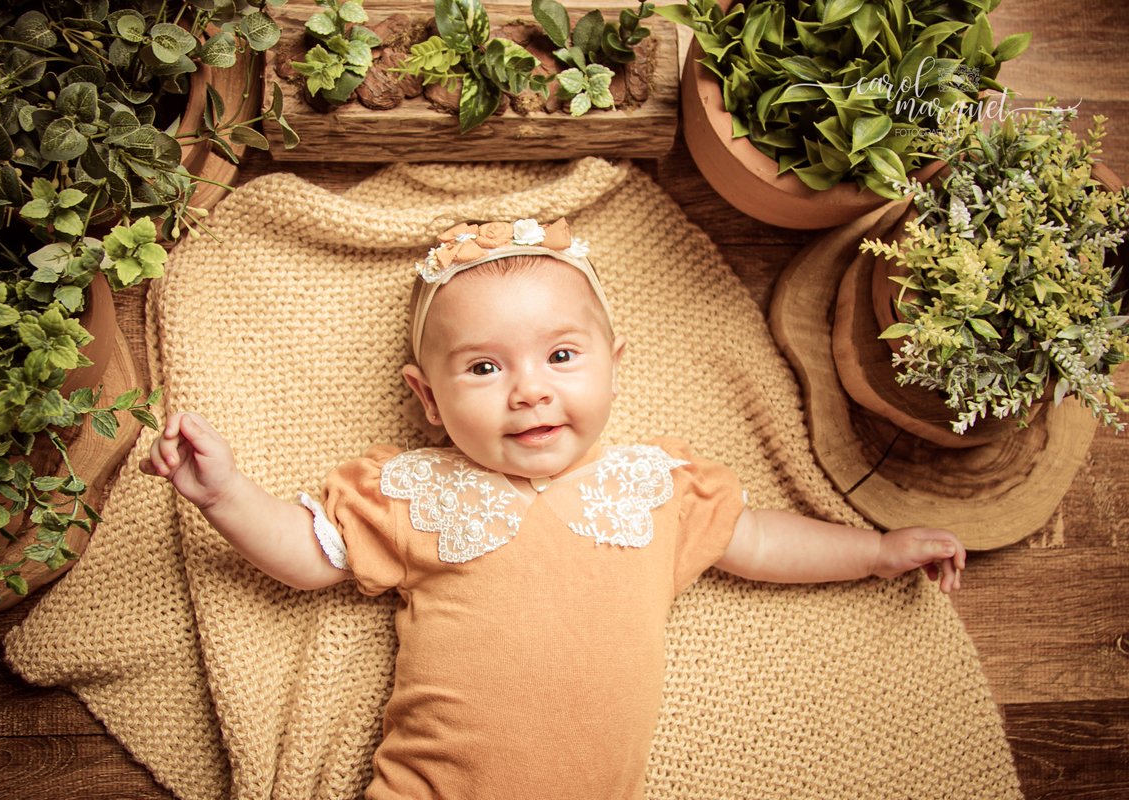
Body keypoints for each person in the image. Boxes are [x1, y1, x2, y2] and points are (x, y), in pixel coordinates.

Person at [141, 217, 966, 800]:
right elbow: (306, 556)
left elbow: (761, 541)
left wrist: (877, 551)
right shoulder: (417, 490)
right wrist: (226, 496)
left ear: (614, 364)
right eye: (483, 369)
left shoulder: (658, 486)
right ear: (428, 400)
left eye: (561, 356)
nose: (530, 388)